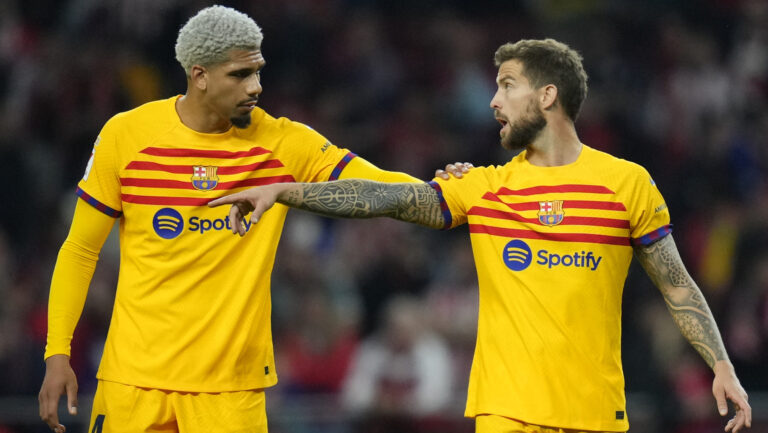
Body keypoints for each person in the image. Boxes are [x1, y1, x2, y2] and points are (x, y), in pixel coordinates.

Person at [210, 39, 753, 433]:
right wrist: (287, 191)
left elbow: (677, 284)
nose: (493, 101)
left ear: (547, 95)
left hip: (594, 413)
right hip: (504, 414)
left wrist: (721, 365)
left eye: (507, 86)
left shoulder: (627, 183)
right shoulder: (482, 187)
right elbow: (387, 198)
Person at [37, 5, 470, 433]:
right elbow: (80, 249)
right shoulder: (127, 136)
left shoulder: (282, 143)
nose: (256, 86)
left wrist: (444, 191)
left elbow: (377, 183)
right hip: (132, 382)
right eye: (240, 75)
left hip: (230, 392)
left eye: (258, 72)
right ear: (199, 75)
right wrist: (57, 353)